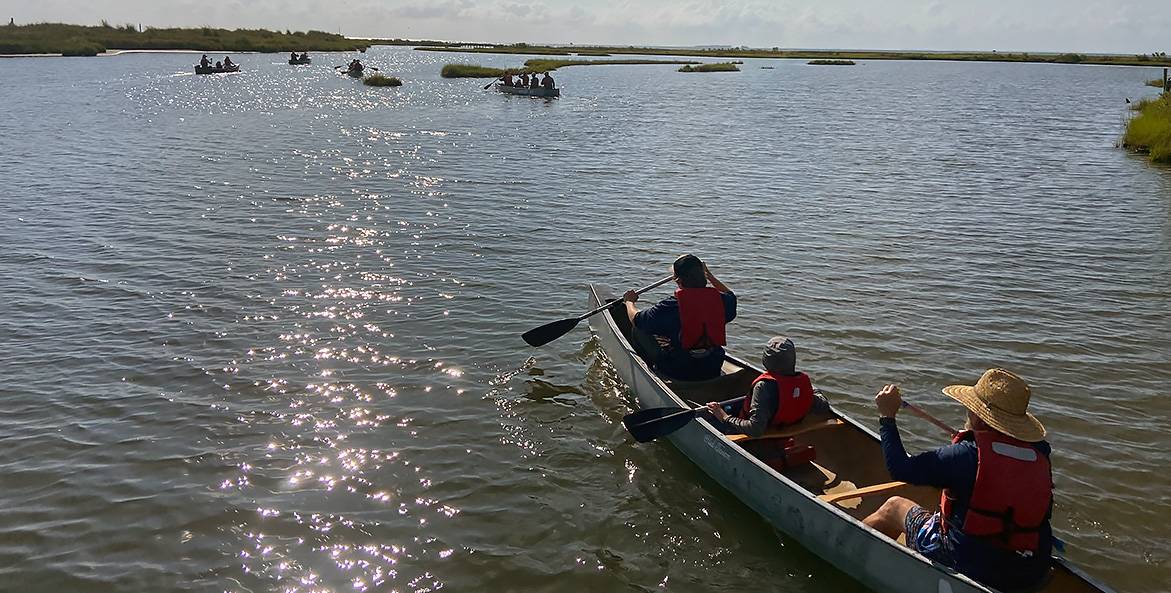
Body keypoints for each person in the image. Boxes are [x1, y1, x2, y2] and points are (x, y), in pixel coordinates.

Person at [862, 369, 1053, 592]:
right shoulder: (1040, 455)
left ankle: (848, 546)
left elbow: (900, 469)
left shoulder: (965, 456)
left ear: (979, 416)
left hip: (971, 563)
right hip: (1031, 567)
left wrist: (887, 418)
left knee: (893, 507)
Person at [623, 254, 736, 381]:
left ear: (678, 280)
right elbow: (730, 294)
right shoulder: (723, 301)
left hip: (678, 370)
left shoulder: (671, 306)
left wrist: (629, 302)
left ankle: (652, 372)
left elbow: (637, 319)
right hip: (713, 366)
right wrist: (709, 275)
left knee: (639, 329)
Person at [705, 337, 830, 437]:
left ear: (766, 360)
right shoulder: (803, 383)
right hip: (787, 426)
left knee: (714, 417)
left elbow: (755, 429)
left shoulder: (763, 387)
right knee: (737, 404)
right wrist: (812, 389)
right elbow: (824, 407)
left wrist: (724, 417)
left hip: (761, 433)